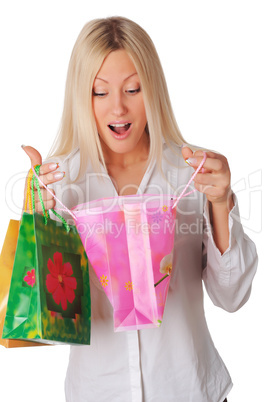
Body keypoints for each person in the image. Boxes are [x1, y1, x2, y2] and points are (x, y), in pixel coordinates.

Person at [22, 16, 257, 402]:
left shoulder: (191, 173)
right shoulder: (61, 184)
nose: (119, 108)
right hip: (97, 392)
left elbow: (232, 298)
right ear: (82, 96)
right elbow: (44, 322)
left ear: (153, 89)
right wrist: (39, 226)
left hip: (190, 389)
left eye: (133, 88)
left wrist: (220, 203)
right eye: (100, 92)